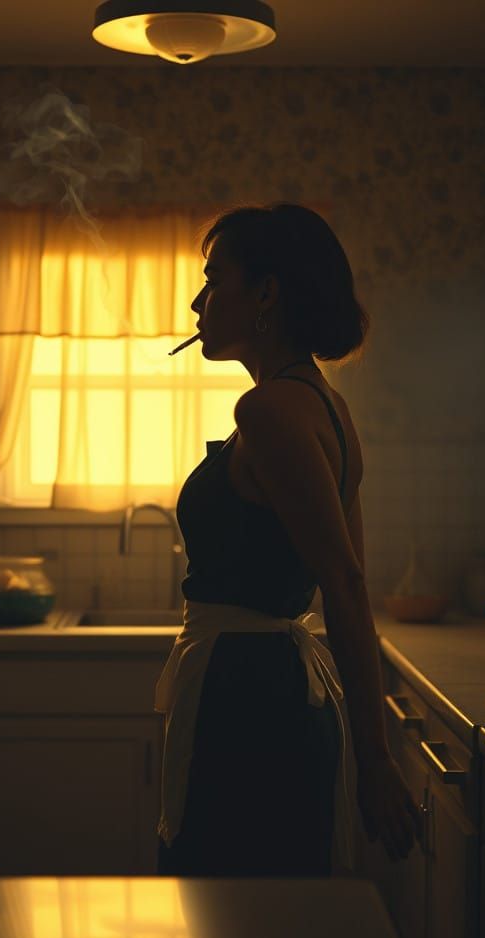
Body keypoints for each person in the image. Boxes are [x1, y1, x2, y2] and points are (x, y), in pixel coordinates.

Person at [155, 203, 421, 878]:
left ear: (266, 293)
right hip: (276, 697)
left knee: (225, 923)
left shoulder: (269, 410)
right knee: (274, 931)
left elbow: (345, 583)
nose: (197, 299)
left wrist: (377, 758)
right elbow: (348, 576)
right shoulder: (328, 404)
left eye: (215, 280)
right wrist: (370, 752)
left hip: (244, 703)